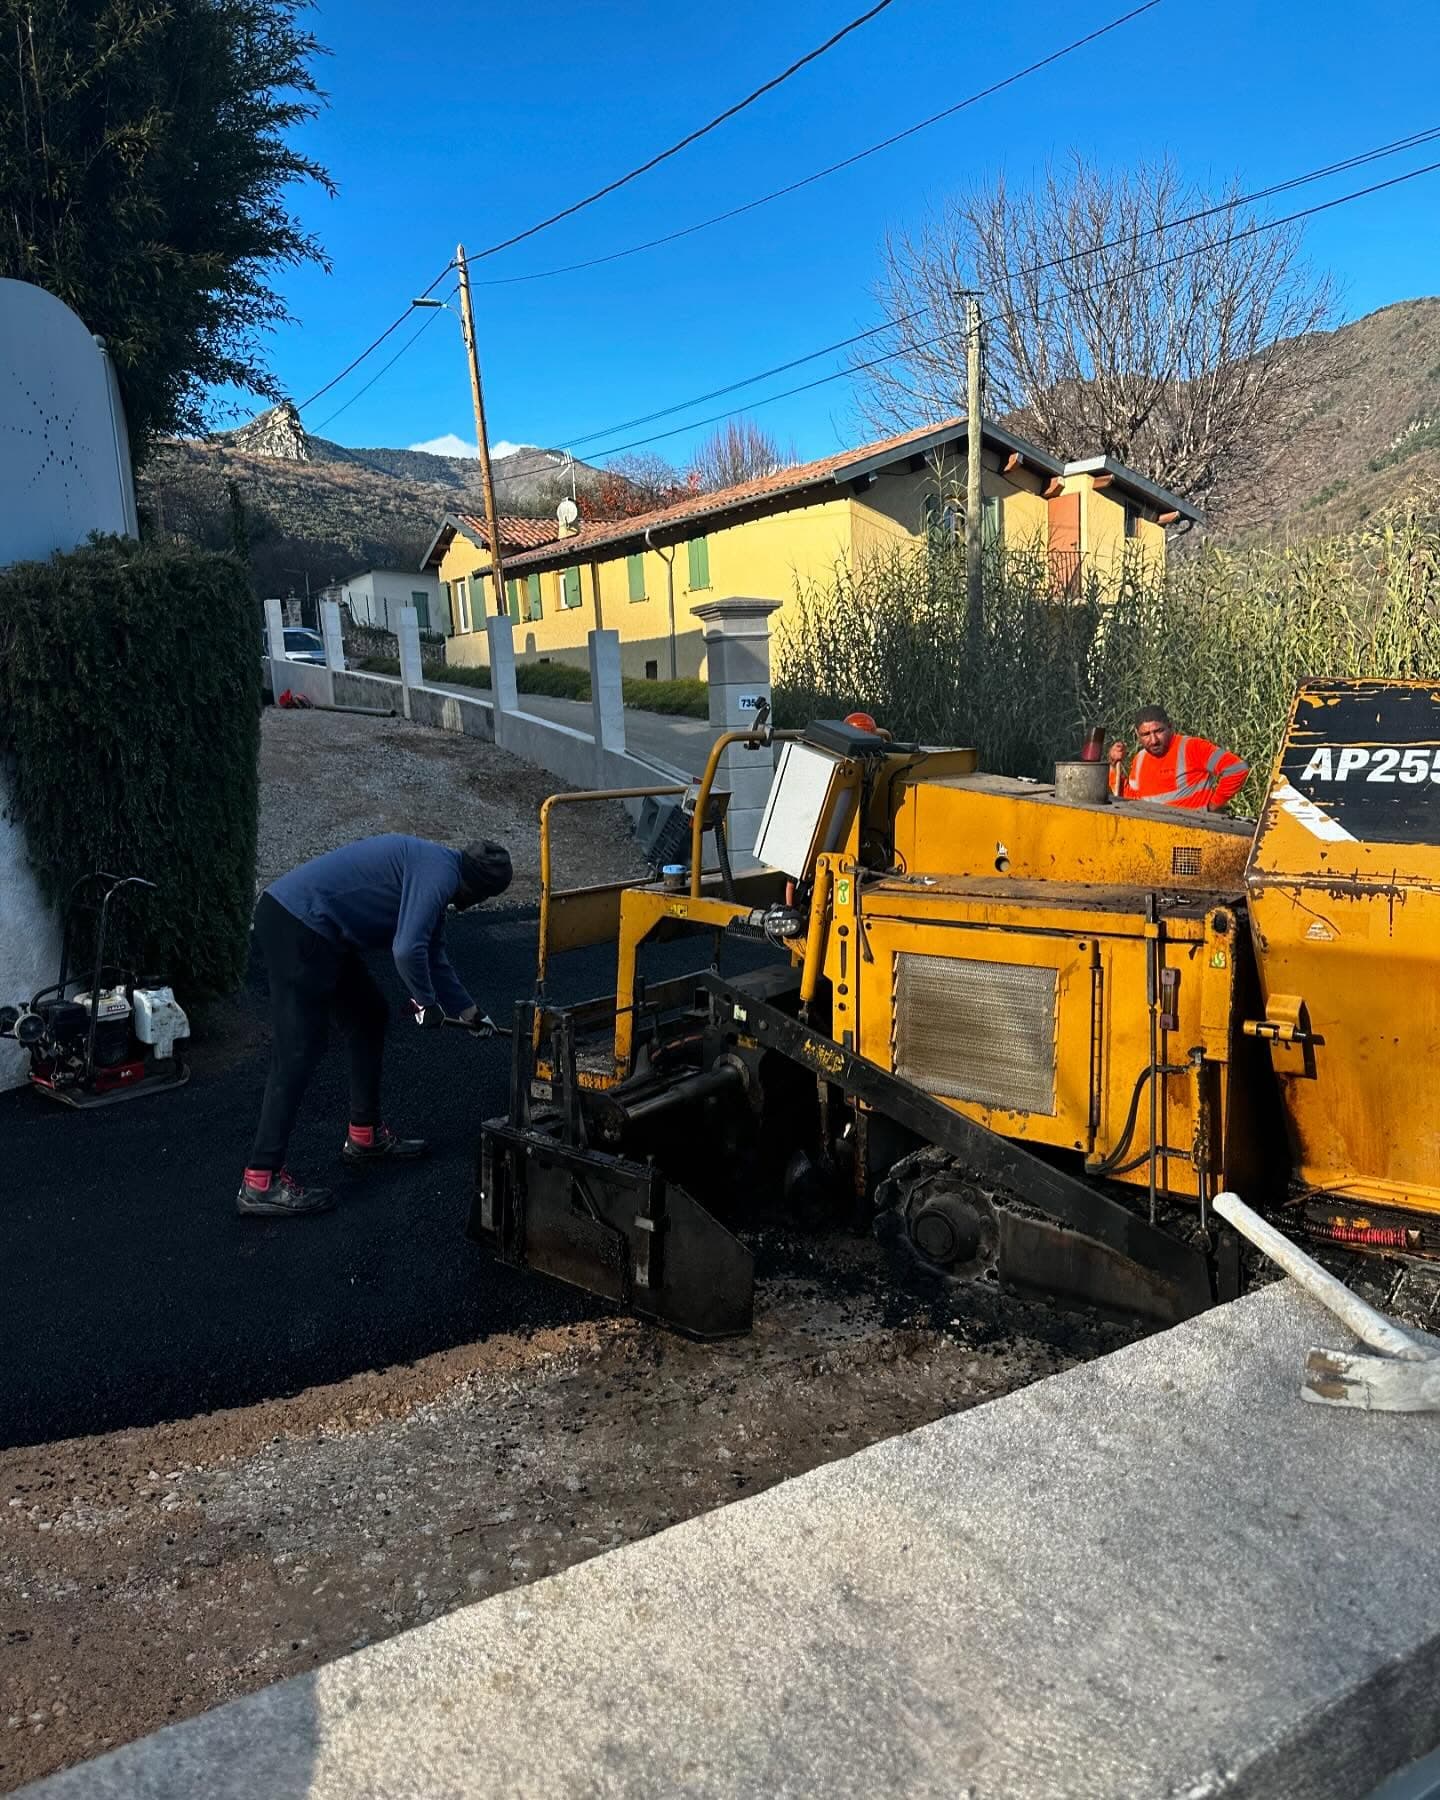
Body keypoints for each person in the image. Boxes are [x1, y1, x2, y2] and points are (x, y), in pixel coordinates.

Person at [237, 834, 512, 1219]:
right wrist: (425, 1003)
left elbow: (432, 951)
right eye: (483, 899)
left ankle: (364, 1136)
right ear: (479, 890)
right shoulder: (439, 877)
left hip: (321, 933)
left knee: (369, 1016)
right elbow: (407, 947)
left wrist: (469, 1012)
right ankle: (260, 1180)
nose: (473, 905)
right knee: (298, 1048)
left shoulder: (438, 868)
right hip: (297, 924)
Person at [1109, 706, 1248, 811]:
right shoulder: (1139, 759)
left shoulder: (1192, 747)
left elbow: (1236, 769)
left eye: (1159, 731)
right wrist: (1113, 765)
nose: (1153, 740)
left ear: (1170, 727)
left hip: (1193, 836)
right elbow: (1132, 798)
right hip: (1155, 836)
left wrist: (1212, 807)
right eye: (1146, 734)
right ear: (1137, 734)